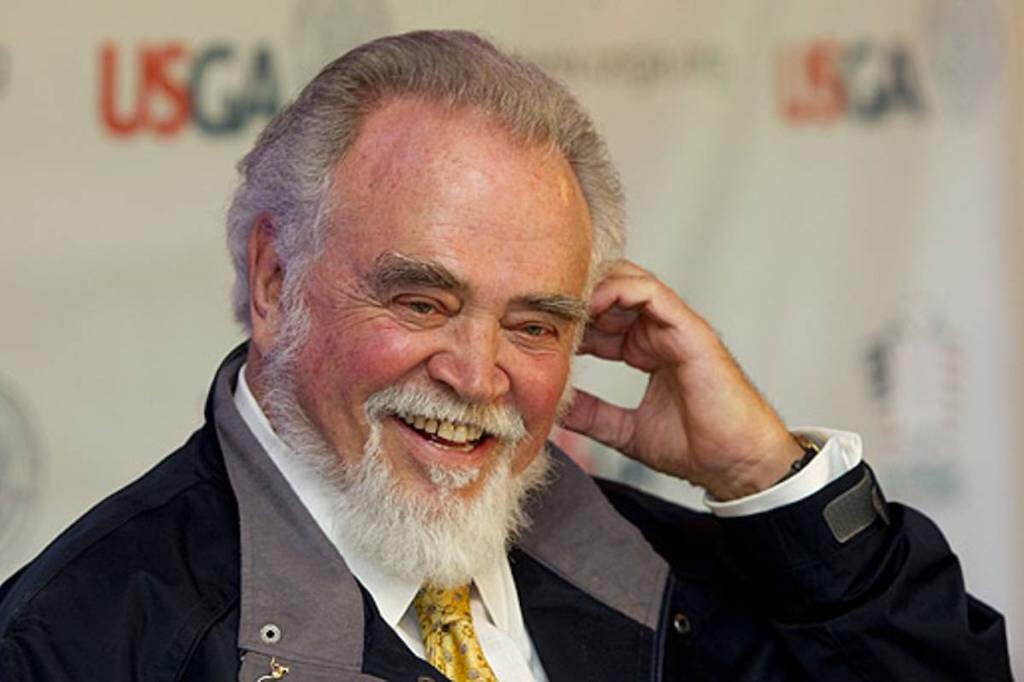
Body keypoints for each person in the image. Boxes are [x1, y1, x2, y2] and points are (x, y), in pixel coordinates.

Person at [0, 30, 1011, 682]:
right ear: (273, 280)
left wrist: (762, 476)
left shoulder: (657, 567)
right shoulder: (76, 641)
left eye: (533, 324)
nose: (478, 376)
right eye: (423, 301)